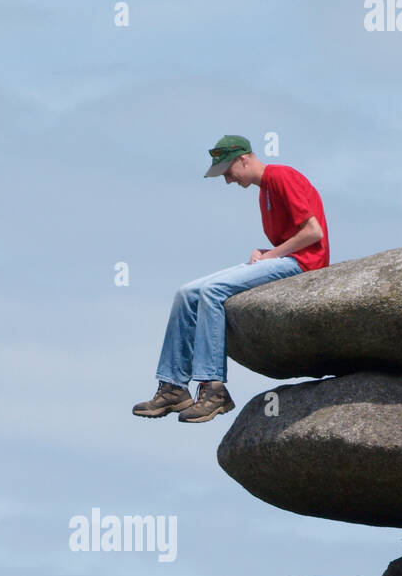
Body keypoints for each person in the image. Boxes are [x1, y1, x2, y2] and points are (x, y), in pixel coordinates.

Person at [133, 135, 329, 423]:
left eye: (228, 172)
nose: (228, 180)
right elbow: (292, 237)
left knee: (212, 292)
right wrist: (266, 252)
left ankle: (214, 389)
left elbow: (314, 233)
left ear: (243, 159)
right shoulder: (263, 192)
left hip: (304, 265)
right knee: (187, 292)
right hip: (286, 258)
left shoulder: (282, 177)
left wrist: (271, 255)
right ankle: (173, 386)